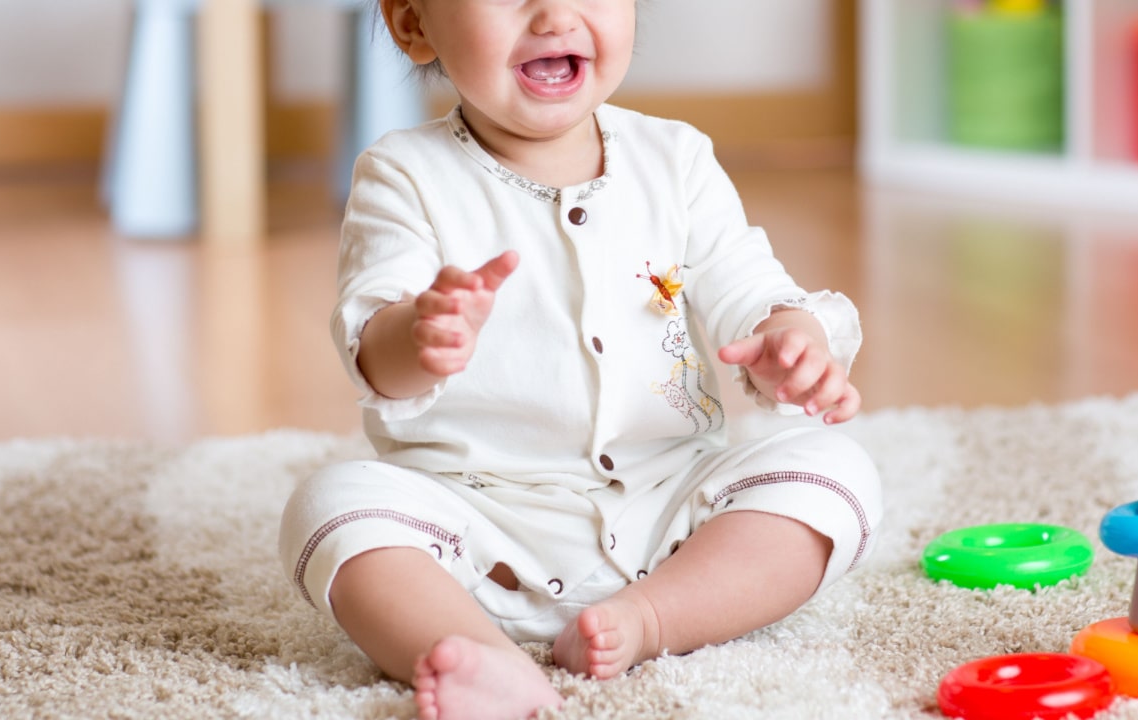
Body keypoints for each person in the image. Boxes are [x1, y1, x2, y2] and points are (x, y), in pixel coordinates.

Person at [278, 0, 883, 718]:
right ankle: (482, 657)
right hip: (475, 533)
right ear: (414, 25)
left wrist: (791, 339)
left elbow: (751, 290)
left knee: (836, 472)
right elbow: (371, 343)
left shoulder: (677, 159)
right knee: (331, 507)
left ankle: (650, 618)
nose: (554, 14)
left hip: (672, 515)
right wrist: (418, 335)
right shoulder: (403, 173)